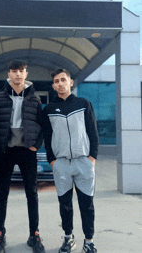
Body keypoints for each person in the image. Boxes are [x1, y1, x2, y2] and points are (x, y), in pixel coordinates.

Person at [42, 69, 99, 253]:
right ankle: (68, 238)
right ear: (53, 86)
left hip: (84, 162)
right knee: (65, 204)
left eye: (63, 80)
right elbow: (47, 136)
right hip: (61, 164)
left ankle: (89, 241)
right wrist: (52, 160)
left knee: (86, 204)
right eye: (56, 81)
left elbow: (93, 131)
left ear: (71, 82)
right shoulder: (49, 109)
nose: (60, 83)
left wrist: (92, 158)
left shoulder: (84, 104)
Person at [0, 59, 45, 253]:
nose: (18, 74)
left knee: (32, 193)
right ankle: (0, 234)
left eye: (21, 71)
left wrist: (35, 146)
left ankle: (34, 234)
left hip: (26, 151)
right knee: (2, 193)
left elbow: (41, 125)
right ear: (9, 74)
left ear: (26, 73)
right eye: (14, 71)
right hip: (6, 151)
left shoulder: (35, 99)